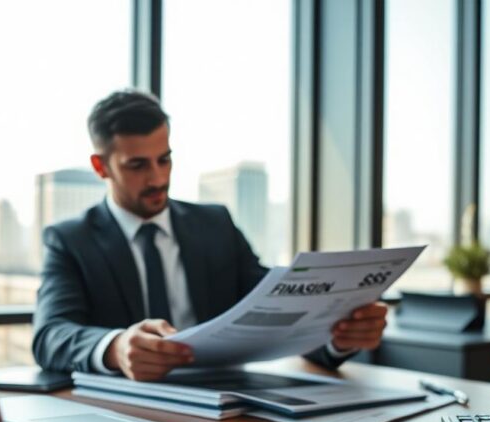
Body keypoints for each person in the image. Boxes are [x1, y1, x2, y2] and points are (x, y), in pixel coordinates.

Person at [32, 89, 388, 380]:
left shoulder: (215, 225)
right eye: (138, 165)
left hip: (225, 401)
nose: (158, 178)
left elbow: (275, 308)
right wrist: (117, 347)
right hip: (125, 412)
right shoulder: (70, 240)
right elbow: (50, 336)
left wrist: (340, 338)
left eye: (165, 159)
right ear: (100, 166)